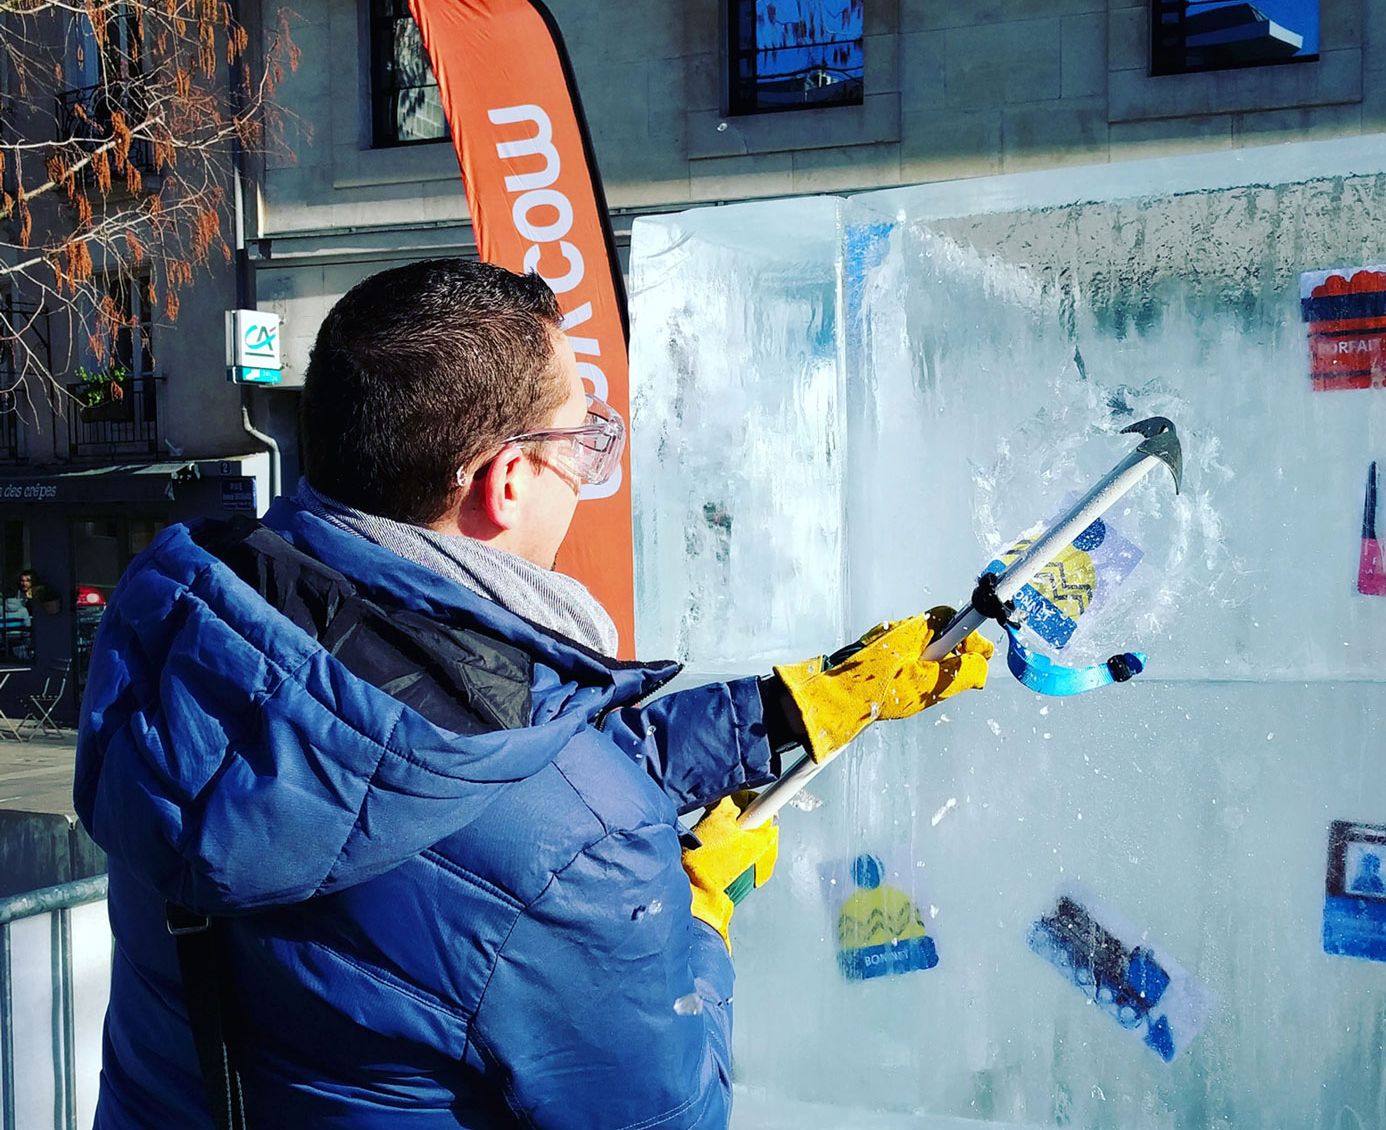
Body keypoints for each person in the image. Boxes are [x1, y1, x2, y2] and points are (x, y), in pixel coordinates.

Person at [74, 259, 991, 1130]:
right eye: (588, 440)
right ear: (507, 480)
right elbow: (671, 1110)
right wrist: (697, 920)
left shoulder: (200, 644)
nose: (593, 470)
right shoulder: (580, 856)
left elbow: (459, 780)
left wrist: (783, 711)